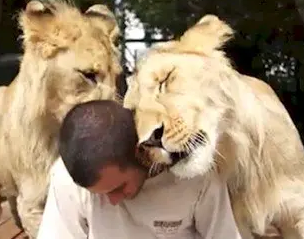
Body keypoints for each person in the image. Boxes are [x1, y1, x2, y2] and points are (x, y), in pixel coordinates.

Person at [36, 100, 242, 239]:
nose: (113, 201)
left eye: (117, 188)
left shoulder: (195, 176)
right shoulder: (64, 177)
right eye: (98, 195)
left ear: (141, 154)